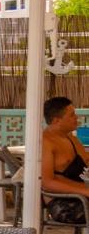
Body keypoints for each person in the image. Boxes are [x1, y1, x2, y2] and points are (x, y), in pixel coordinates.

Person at [42, 95, 89, 224]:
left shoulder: (71, 138)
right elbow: (46, 182)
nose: (76, 118)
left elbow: (86, 160)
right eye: (72, 115)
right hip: (62, 203)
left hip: (81, 196)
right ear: (57, 120)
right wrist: (85, 190)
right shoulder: (45, 142)